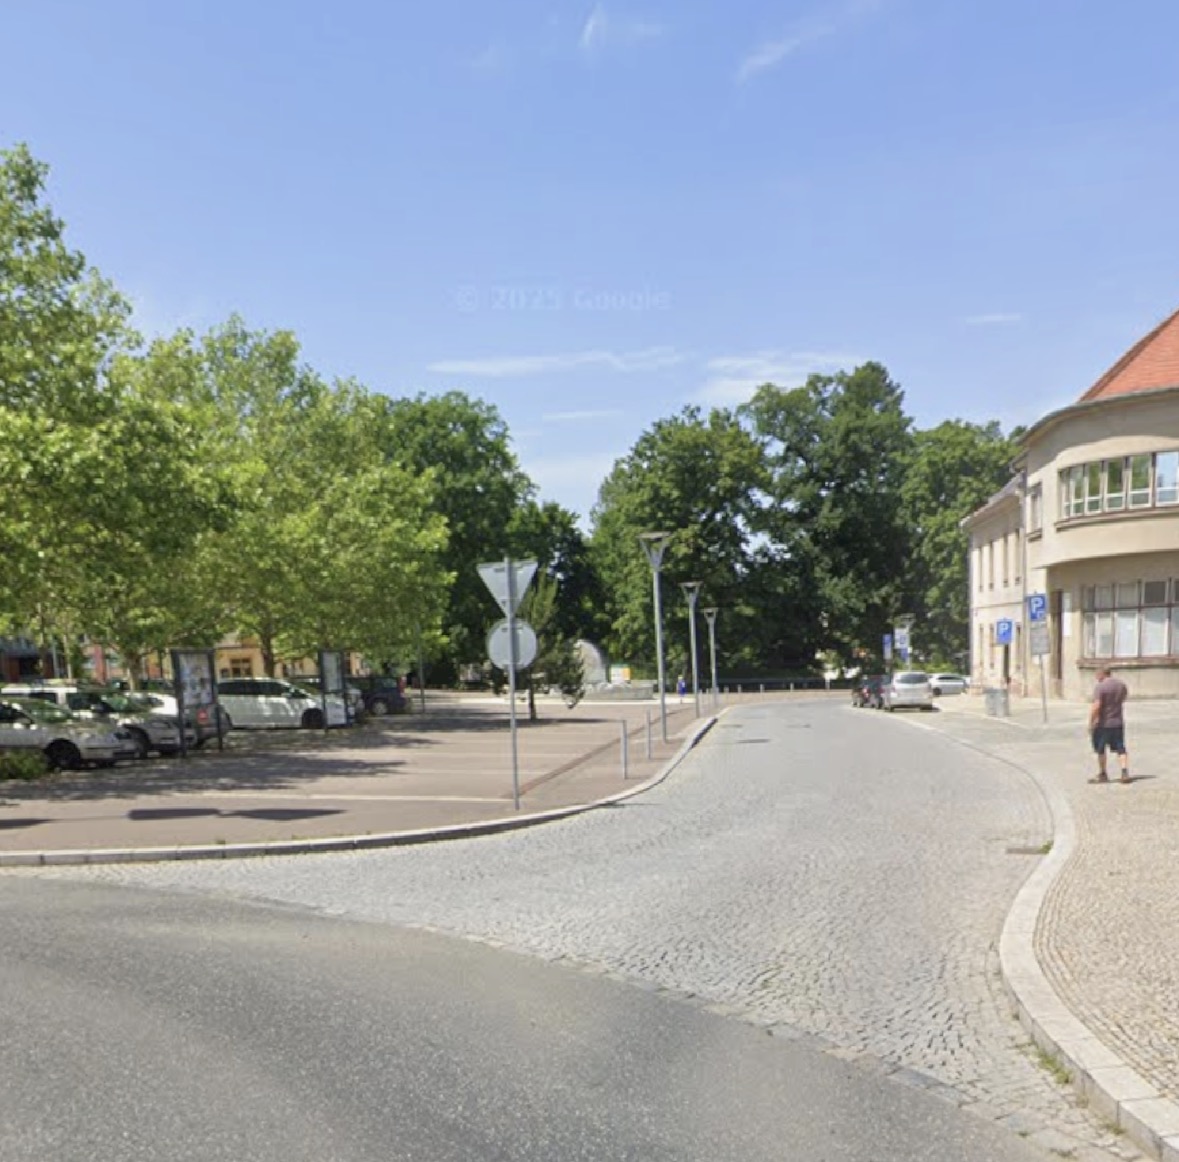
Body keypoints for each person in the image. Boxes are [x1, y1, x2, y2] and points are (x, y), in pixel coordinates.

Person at [1089, 666, 1130, 784]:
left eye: (1097, 674)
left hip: (1103, 723)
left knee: (1101, 749)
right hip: (1118, 722)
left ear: (1102, 674)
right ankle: (1124, 772)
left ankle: (1103, 774)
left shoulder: (1100, 687)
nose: (1096, 677)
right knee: (1121, 748)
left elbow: (1097, 706)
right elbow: (1124, 698)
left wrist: (1091, 721)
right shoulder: (1121, 685)